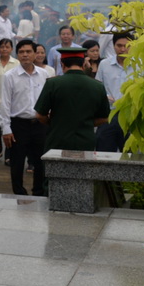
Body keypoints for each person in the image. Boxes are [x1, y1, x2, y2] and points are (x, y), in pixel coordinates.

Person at [34, 46, 112, 192]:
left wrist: (54, 122)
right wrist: (87, 122)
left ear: (62, 65)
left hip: (57, 139)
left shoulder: (53, 83)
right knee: (83, 180)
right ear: (84, 64)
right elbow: (104, 117)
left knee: (54, 181)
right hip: (85, 140)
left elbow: (39, 115)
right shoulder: (97, 86)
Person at [0, 39, 53, 195]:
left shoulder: (44, 74)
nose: (25, 55)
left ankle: (39, 192)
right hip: (18, 124)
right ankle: (19, 193)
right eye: (21, 52)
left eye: (28, 51)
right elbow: (5, 103)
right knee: (17, 161)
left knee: (40, 161)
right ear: (17, 55)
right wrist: (6, 129)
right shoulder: (10, 76)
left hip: (40, 123)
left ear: (35, 54)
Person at [95, 31, 136, 153]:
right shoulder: (104, 64)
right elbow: (98, 87)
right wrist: (106, 97)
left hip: (131, 116)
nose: (123, 49)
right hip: (109, 115)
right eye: (119, 46)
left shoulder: (140, 65)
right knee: (104, 153)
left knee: (130, 155)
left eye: (126, 46)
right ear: (113, 46)